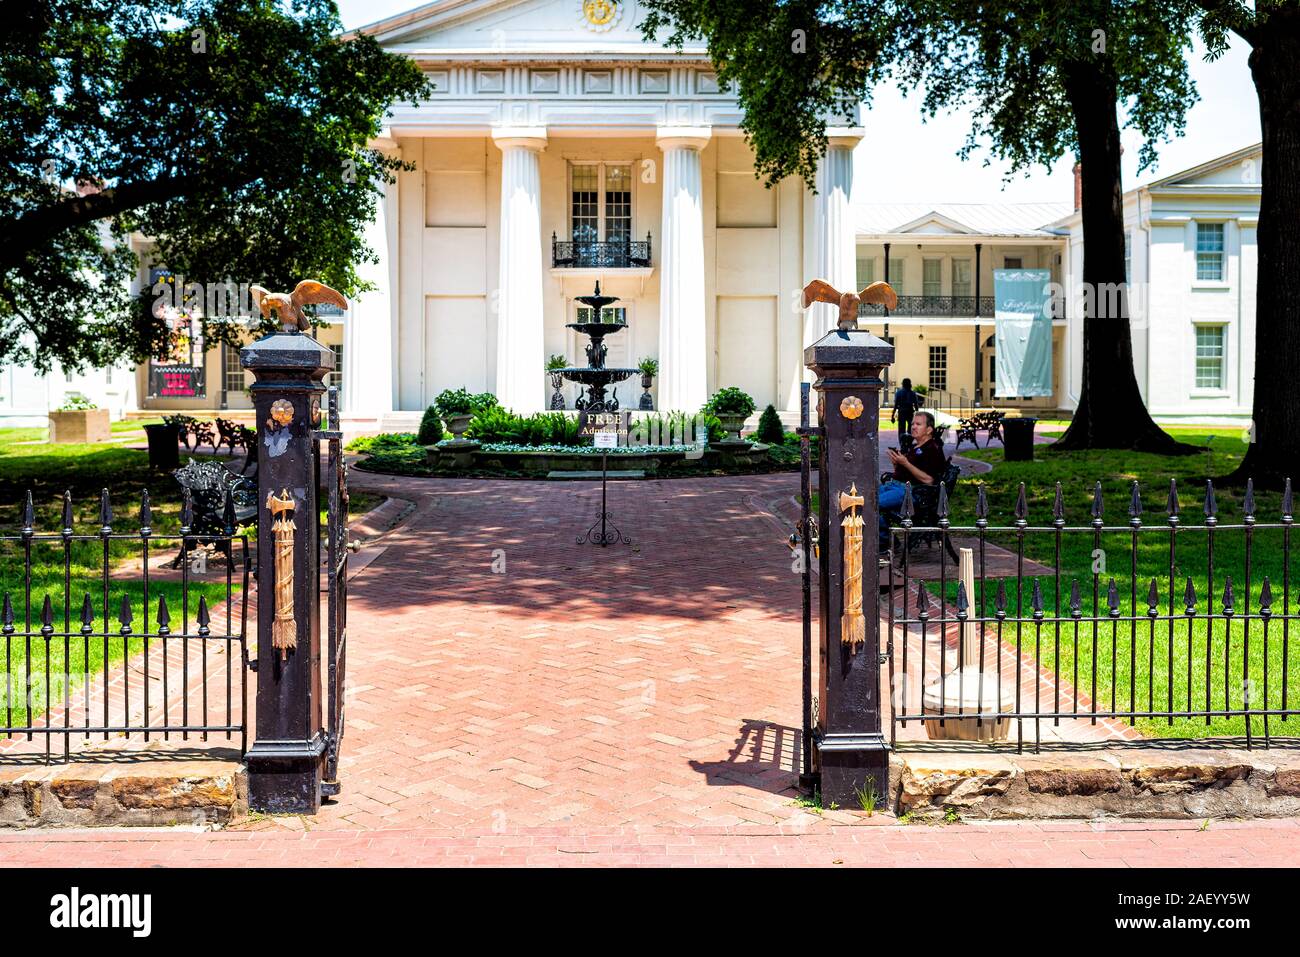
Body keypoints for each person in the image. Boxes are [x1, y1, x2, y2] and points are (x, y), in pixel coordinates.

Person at [879, 411, 948, 546]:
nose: (913, 427)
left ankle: (885, 541)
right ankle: (887, 539)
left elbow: (929, 480)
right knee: (863, 499)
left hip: (911, 493)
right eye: (912, 424)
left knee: (872, 505)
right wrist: (897, 464)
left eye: (918, 424)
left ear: (929, 430)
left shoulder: (932, 449)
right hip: (895, 486)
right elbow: (908, 472)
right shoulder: (915, 446)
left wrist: (905, 463)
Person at [890, 378, 920, 450]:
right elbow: (916, 405)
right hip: (910, 412)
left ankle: (902, 444)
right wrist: (917, 413)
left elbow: (896, 405)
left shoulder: (899, 393)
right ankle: (909, 444)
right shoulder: (912, 393)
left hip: (902, 412)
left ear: (902, 384)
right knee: (911, 429)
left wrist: (892, 415)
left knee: (901, 429)